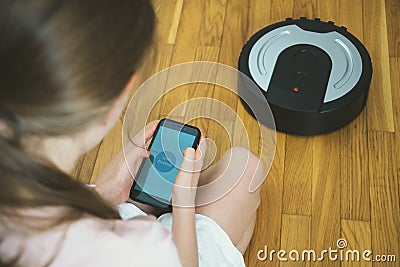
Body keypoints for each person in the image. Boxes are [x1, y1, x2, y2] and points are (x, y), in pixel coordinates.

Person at [0, 0, 265, 266]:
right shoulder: (143, 251)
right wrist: (183, 202)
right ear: (117, 99)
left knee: (147, 191)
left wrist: (103, 194)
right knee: (245, 166)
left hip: (95, 219)